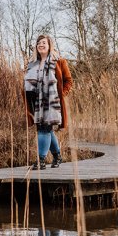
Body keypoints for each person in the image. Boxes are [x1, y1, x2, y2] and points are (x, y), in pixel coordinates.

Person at [23, 34, 73, 170]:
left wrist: (61, 94)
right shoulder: (32, 63)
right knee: (47, 130)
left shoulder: (59, 61)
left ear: (49, 45)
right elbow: (27, 83)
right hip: (37, 102)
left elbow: (69, 81)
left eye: (44, 42)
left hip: (52, 102)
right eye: (39, 43)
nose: (41, 45)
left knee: (43, 130)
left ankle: (41, 160)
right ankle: (57, 157)